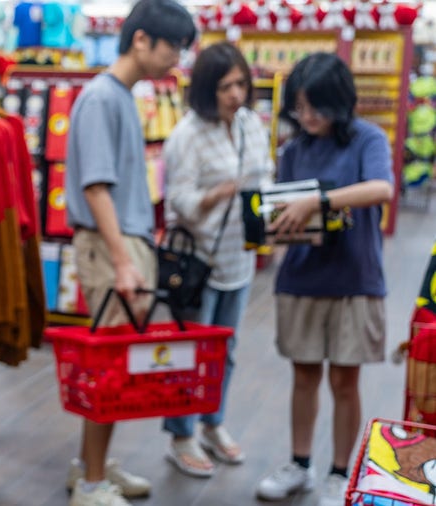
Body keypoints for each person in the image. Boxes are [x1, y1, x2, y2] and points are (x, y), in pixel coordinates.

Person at [62, 1, 196, 505]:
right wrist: (123, 261)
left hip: (123, 243)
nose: (177, 59)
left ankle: (91, 468)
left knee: (116, 363)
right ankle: (92, 483)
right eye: (173, 47)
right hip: (109, 246)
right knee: (111, 367)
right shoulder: (101, 98)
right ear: (141, 40)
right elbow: (97, 189)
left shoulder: (117, 96)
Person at [254, 53, 394, 506]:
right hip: (302, 277)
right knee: (304, 375)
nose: (307, 116)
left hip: (355, 278)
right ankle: (299, 464)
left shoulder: (368, 139)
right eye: (299, 107)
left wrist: (318, 202)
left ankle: (339, 472)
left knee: (345, 381)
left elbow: (381, 188)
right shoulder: (294, 150)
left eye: (315, 106)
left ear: (340, 102)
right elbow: (282, 205)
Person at [161, 41, 274, 478]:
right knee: (191, 352)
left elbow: (263, 175)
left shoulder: (249, 124)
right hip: (198, 262)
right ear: (207, 89)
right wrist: (217, 194)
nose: (236, 94)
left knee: (226, 350)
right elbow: (179, 203)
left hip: (239, 259)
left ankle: (213, 422)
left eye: (241, 84)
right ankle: (181, 433)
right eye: (226, 86)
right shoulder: (187, 134)